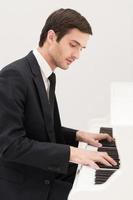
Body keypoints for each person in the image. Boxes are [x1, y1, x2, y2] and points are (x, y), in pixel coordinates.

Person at [0, 8, 117, 200]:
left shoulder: (47, 76)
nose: (77, 54)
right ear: (52, 36)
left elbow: (40, 129)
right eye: (73, 45)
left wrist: (79, 135)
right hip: (23, 185)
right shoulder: (13, 76)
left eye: (82, 48)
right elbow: (10, 145)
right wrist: (74, 153)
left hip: (43, 172)